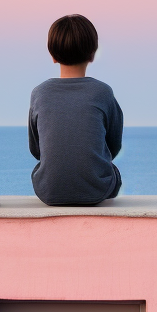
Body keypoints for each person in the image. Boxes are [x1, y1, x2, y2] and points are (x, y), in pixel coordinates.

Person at [28, 14, 124, 206]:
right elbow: (114, 144)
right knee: (114, 172)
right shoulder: (102, 92)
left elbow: (36, 149)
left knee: (40, 168)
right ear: (92, 54)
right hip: (97, 190)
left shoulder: (39, 93)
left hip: (48, 191)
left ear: (53, 56)